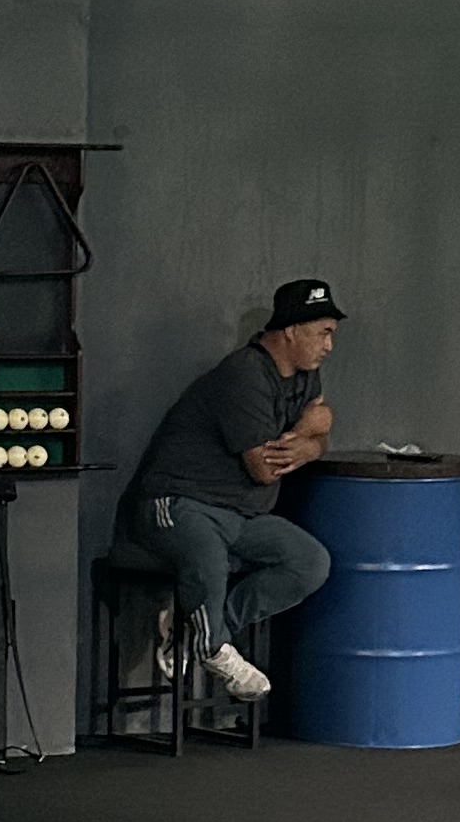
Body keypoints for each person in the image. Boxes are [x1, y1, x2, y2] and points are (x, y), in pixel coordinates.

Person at [123, 277, 345, 701]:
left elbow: (320, 429)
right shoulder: (244, 374)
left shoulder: (305, 376)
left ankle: (193, 629)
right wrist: (309, 435)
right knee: (207, 556)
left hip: (242, 515)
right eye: (323, 333)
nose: (329, 345)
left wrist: (312, 443)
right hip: (178, 503)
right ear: (290, 330)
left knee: (309, 561)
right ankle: (215, 650)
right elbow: (264, 468)